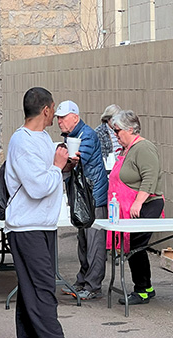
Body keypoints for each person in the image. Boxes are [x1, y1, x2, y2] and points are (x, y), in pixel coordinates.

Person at [5, 87, 70, 338]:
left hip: (42, 223)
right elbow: (37, 187)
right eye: (53, 109)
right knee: (43, 291)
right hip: (26, 226)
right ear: (46, 109)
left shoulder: (43, 138)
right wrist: (57, 167)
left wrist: (64, 164)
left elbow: (49, 176)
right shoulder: (21, 142)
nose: (55, 114)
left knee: (30, 291)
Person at [55, 100, 109, 301]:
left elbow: (77, 159)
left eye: (63, 117)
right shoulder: (72, 136)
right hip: (82, 197)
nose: (59, 121)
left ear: (75, 117)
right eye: (58, 117)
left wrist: (62, 161)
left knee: (94, 241)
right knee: (83, 241)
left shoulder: (87, 135)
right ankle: (82, 279)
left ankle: (93, 285)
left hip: (92, 196)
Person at [108, 110, 164, 305]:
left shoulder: (143, 148)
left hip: (147, 205)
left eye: (117, 131)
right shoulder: (127, 149)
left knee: (136, 246)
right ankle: (146, 287)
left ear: (130, 129)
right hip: (131, 206)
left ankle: (141, 289)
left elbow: (150, 175)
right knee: (134, 247)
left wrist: (138, 202)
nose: (116, 135)